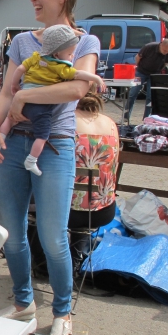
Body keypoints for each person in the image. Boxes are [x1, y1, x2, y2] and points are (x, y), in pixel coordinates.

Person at [0, 0, 100, 335]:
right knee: (11, 233)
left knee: (53, 236)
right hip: (13, 142)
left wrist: (24, 96)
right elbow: (6, 92)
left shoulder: (86, 42)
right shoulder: (21, 42)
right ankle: (23, 303)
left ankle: (63, 313)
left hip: (55, 146)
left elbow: (75, 90)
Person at [0, 25, 105, 176]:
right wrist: (95, 77)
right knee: (41, 136)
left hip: (23, 102)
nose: (71, 57)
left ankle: (1, 139)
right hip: (41, 108)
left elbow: (20, 70)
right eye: (69, 54)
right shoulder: (60, 67)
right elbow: (78, 75)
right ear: (56, 54)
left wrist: (15, 85)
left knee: (10, 119)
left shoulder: (35, 57)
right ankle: (32, 160)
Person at [70, 89, 119, 237]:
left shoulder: (65, 121)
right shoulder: (110, 124)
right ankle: (79, 253)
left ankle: (41, 257)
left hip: (68, 212)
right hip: (104, 211)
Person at [124, 38, 168, 122]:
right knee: (133, 93)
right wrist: (139, 68)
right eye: (164, 50)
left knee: (150, 97)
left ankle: (146, 118)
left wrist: (159, 70)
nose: (166, 53)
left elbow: (165, 63)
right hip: (141, 72)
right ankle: (126, 116)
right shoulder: (149, 47)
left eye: (167, 51)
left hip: (155, 74)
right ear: (161, 45)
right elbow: (138, 57)